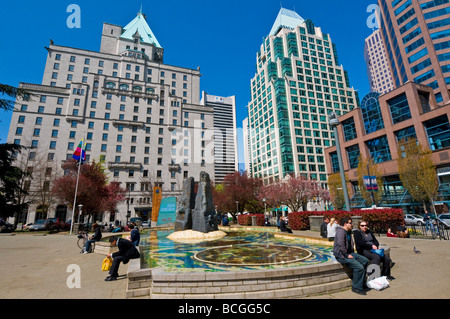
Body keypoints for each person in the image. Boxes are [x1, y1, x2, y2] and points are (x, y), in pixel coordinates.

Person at [333, 217, 369, 295]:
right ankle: (356, 287)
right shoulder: (341, 232)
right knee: (359, 267)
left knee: (365, 261)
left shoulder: (348, 231)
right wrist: (346, 255)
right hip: (341, 255)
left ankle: (361, 282)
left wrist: (351, 253)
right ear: (346, 224)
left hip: (349, 253)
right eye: (350, 223)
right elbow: (341, 245)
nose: (352, 224)